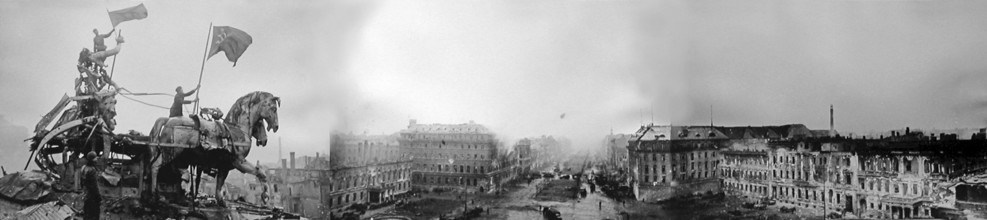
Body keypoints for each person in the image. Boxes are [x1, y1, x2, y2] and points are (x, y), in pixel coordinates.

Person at [80, 152, 101, 220]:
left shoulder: (83, 167)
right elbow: (94, 186)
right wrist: (98, 197)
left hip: (85, 194)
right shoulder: (92, 170)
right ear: (92, 159)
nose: (97, 159)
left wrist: (84, 191)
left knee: (86, 212)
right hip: (92, 196)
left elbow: (81, 182)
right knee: (94, 214)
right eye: (95, 158)